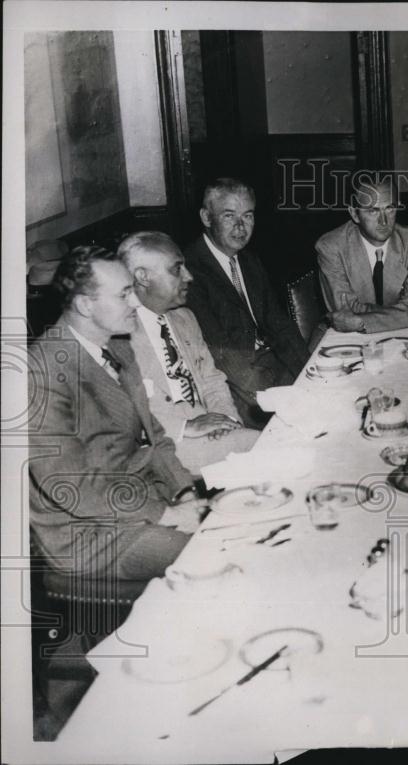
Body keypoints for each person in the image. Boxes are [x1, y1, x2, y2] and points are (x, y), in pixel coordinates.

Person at [28, 246, 207, 583]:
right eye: (125, 294)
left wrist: (184, 491)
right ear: (84, 304)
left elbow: (154, 437)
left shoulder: (118, 346)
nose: (136, 303)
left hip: (143, 501)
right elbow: (71, 486)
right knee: (213, 555)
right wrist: (167, 513)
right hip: (89, 534)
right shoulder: (40, 373)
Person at [119, 232, 259, 473]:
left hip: (210, 432)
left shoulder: (185, 318)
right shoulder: (118, 336)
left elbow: (212, 380)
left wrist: (226, 419)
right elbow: (124, 415)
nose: (189, 276)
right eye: (177, 269)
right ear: (143, 277)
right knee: (262, 448)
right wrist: (185, 427)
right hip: (163, 445)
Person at [184, 178, 309, 429]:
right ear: (206, 217)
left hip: (272, 364)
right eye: (229, 216)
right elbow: (220, 353)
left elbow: (280, 325)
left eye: (248, 216)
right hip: (237, 383)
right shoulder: (189, 271)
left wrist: (308, 371)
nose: (241, 227)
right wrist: (270, 397)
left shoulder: (250, 260)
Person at [315, 176, 408, 334]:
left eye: (389, 208)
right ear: (354, 214)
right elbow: (344, 313)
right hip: (348, 338)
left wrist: (362, 321)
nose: (383, 221)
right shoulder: (331, 246)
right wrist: (401, 314)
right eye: (373, 210)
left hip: (402, 335)